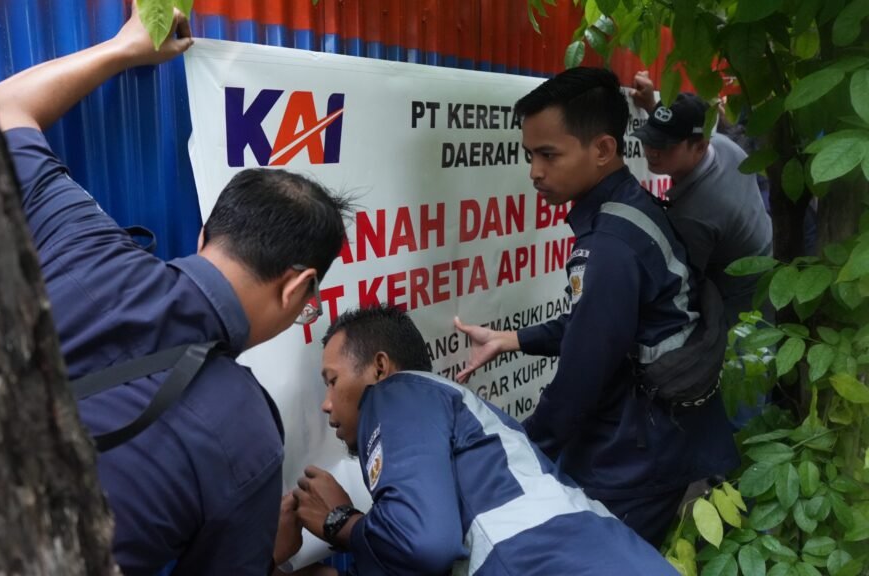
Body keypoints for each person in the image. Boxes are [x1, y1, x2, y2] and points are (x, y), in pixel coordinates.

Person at [0, 5, 351, 575]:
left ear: (205, 235)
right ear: (299, 288)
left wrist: (123, 49)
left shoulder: (85, 245)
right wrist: (273, 555)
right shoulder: (247, 435)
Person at [452, 67, 739, 546]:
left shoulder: (610, 243)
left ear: (603, 149)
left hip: (639, 454)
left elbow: (580, 376)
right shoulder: (629, 207)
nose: (534, 171)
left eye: (548, 155)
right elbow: (600, 324)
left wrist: (523, 449)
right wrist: (513, 339)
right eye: (529, 155)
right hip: (659, 432)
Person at [288, 305, 676, 575]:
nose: (326, 404)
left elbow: (424, 544)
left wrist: (342, 522)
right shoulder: (453, 420)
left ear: (379, 368)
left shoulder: (398, 392)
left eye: (332, 381)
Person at [629, 71, 773, 325]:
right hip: (767, 276)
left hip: (741, 313)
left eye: (665, 145)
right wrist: (655, 107)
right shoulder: (725, 148)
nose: (652, 150)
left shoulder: (694, 216)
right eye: (650, 138)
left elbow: (675, 290)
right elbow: (683, 133)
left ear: (700, 147)